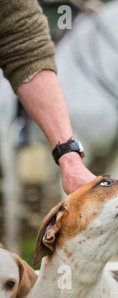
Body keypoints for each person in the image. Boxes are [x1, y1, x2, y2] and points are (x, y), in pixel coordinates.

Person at [0, 0, 95, 194]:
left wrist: (69, 154)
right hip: (52, 17)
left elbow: (27, 51)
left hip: (75, 19)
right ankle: (21, 124)